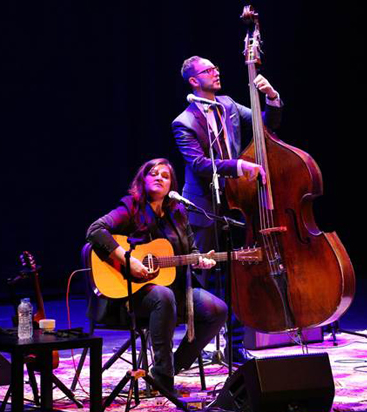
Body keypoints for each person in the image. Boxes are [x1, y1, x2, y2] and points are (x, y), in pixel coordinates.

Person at [172, 56, 283, 363]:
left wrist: (272, 98)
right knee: (203, 280)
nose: (216, 71)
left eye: (215, 67)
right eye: (208, 70)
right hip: (202, 209)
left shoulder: (229, 105)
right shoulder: (184, 122)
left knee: (233, 276)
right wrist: (239, 165)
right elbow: (200, 165)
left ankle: (234, 347)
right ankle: (195, 346)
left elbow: (264, 129)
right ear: (194, 81)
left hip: (233, 206)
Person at [86, 158, 227, 393]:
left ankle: (171, 367)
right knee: (163, 296)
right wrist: (128, 260)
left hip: (175, 289)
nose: (159, 177)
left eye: (165, 175)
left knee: (217, 310)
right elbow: (95, 230)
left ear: (172, 184)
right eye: (153, 173)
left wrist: (200, 261)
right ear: (143, 179)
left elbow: (191, 251)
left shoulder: (178, 212)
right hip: (133, 293)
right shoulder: (130, 207)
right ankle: (162, 380)